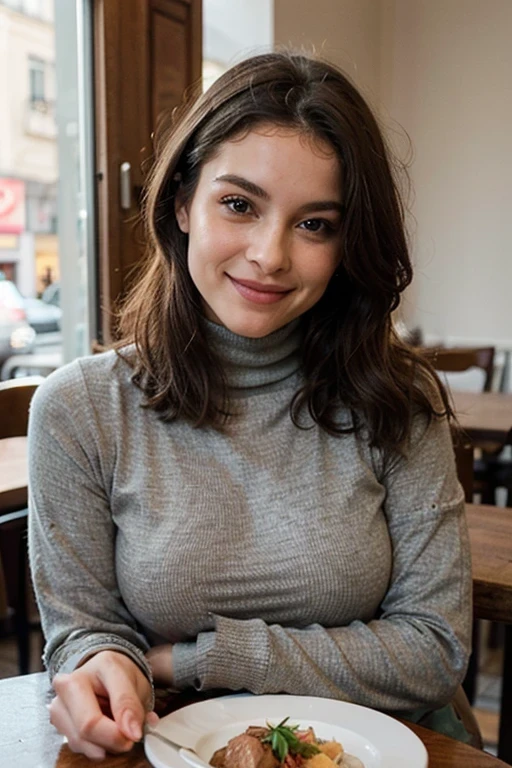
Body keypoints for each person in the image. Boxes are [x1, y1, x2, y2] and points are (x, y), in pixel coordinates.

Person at [28, 50, 472, 760]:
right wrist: (99, 667)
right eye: (239, 205)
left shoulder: (397, 401)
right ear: (182, 202)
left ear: (347, 241)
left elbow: (433, 650)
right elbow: (84, 631)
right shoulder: (79, 411)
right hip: (173, 746)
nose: (270, 255)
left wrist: (194, 659)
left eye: (315, 224)